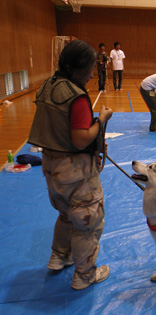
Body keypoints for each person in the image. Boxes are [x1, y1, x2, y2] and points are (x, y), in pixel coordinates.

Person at [27, 40, 113, 290]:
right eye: (90, 69)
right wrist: (102, 120)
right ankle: (84, 276)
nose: (91, 74)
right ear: (80, 67)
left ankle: (59, 257)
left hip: (51, 167)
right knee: (88, 222)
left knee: (66, 215)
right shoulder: (76, 96)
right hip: (75, 171)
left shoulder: (48, 86)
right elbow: (80, 138)